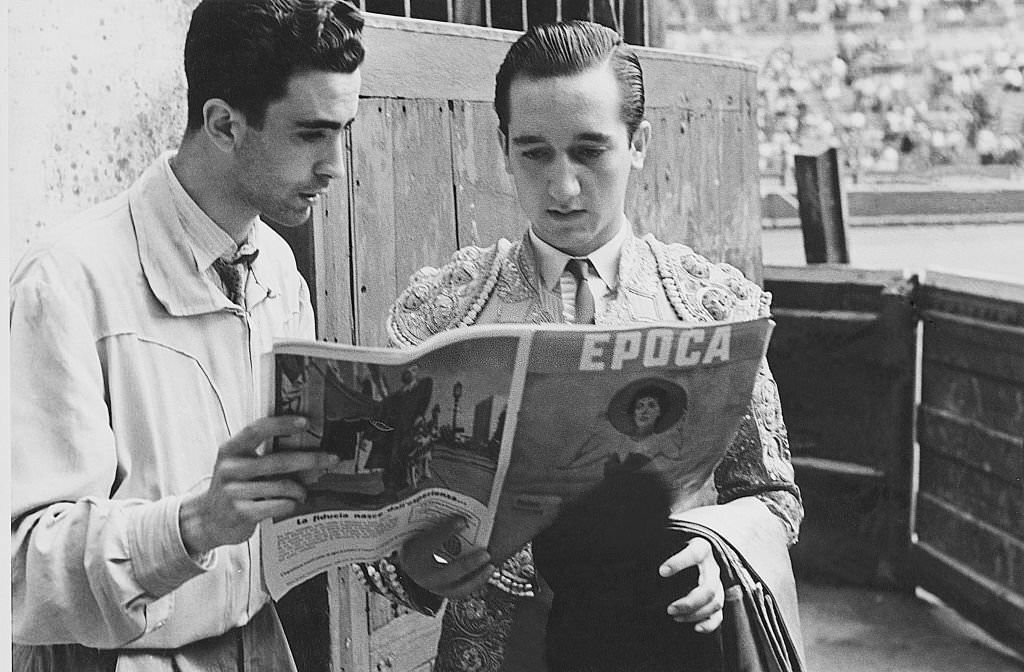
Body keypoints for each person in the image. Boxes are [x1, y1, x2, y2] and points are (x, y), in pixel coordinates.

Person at [359, 19, 804, 672]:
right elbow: (374, 525)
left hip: (669, 642)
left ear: (639, 144)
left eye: (590, 151)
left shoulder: (709, 305)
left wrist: (721, 553)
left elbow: (773, 496)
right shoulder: (443, 312)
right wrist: (412, 566)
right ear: (504, 146)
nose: (563, 188)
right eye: (535, 152)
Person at [10, 1, 365, 670]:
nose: (335, 167)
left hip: (262, 645)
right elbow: (20, 569)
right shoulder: (64, 280)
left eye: (344, 131)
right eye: (311, 134)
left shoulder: (279, 269)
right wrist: (195, 524)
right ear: (224, 124)